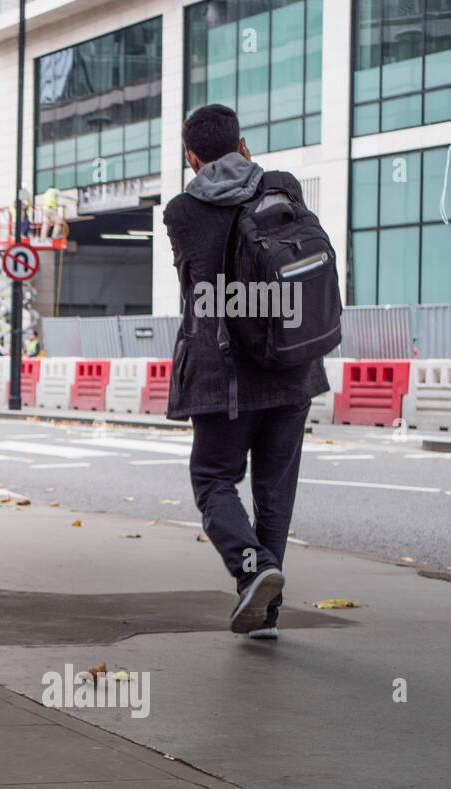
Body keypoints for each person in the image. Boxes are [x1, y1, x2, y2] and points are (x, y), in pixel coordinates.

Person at [163, 103, 330, 640]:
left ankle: (252, 571)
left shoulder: (181, 211)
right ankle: (265, 614)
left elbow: (196, 290)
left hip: (223, 378)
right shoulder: (282, 185)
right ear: (243, 146)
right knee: (274, 495)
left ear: (192, 158)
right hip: (292, 367)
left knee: (213, 480)